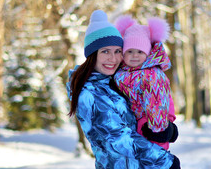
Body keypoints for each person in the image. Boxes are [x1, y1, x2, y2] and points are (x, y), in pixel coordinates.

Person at [67, 10, 180, 169]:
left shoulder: (113, 82)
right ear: (93, 54)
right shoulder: (90, 94)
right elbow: (119, 138)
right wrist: (165, 162)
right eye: (105, 51)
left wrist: (165, 128)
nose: (112, 58)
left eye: (117, 51)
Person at [114, 15, 178, 150]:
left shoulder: (152, 74)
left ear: (148, 53)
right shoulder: (120, 72)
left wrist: (158, 128)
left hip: (150, 129)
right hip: (130, 130)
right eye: (130, 51)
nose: (135, 55)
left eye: (140, 51)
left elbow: (161, 100)